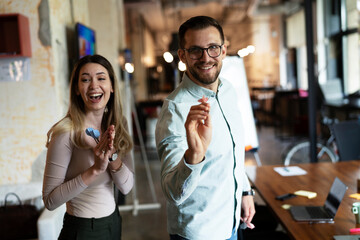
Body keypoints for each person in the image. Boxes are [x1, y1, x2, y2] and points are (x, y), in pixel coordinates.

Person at [155, 16, 255, 240]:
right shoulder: (175, 108)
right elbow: (172, 193)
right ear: (182, 55)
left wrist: (245, 191)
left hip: (231, 223)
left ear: (224, 50)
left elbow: (234, 150)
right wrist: (195, 156)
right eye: (195, 50)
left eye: (213, 48)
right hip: (199, 232)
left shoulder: (228, 90)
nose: (206, 58)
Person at [42, 54, 134, 240]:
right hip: (82, 230)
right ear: (77, 89)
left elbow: (126, 188)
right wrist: (94, 170)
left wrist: (112, 158)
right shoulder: (66, 133)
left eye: (101, 78)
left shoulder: (118, 124)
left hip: (114, 222)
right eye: (85, 80)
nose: (94, 86)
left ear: (112, 87)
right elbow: (50, 201)